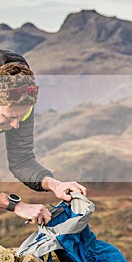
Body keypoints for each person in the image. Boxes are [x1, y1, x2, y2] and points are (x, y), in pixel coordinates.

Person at [0, 49, 87, 225]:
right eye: (9, 118)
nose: (16, 125)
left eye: (22, 117)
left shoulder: (20, 98)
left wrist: (55, 185)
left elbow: (22, 161)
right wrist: (15, 205)